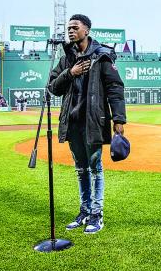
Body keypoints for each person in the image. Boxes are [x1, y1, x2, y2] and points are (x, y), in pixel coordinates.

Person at [48, 14, 127, 234]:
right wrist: (69, 73)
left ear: (87, 31)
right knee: (80, 170)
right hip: (72, 123)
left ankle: (96, 214)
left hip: (93, 122)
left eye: (75, 28)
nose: (70, 31)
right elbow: (53, 87)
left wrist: (119, 119)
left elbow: (115, 90)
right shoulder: (67, 58)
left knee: (95, 169)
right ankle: (84, 211)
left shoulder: (102, 56)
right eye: (68, 28)